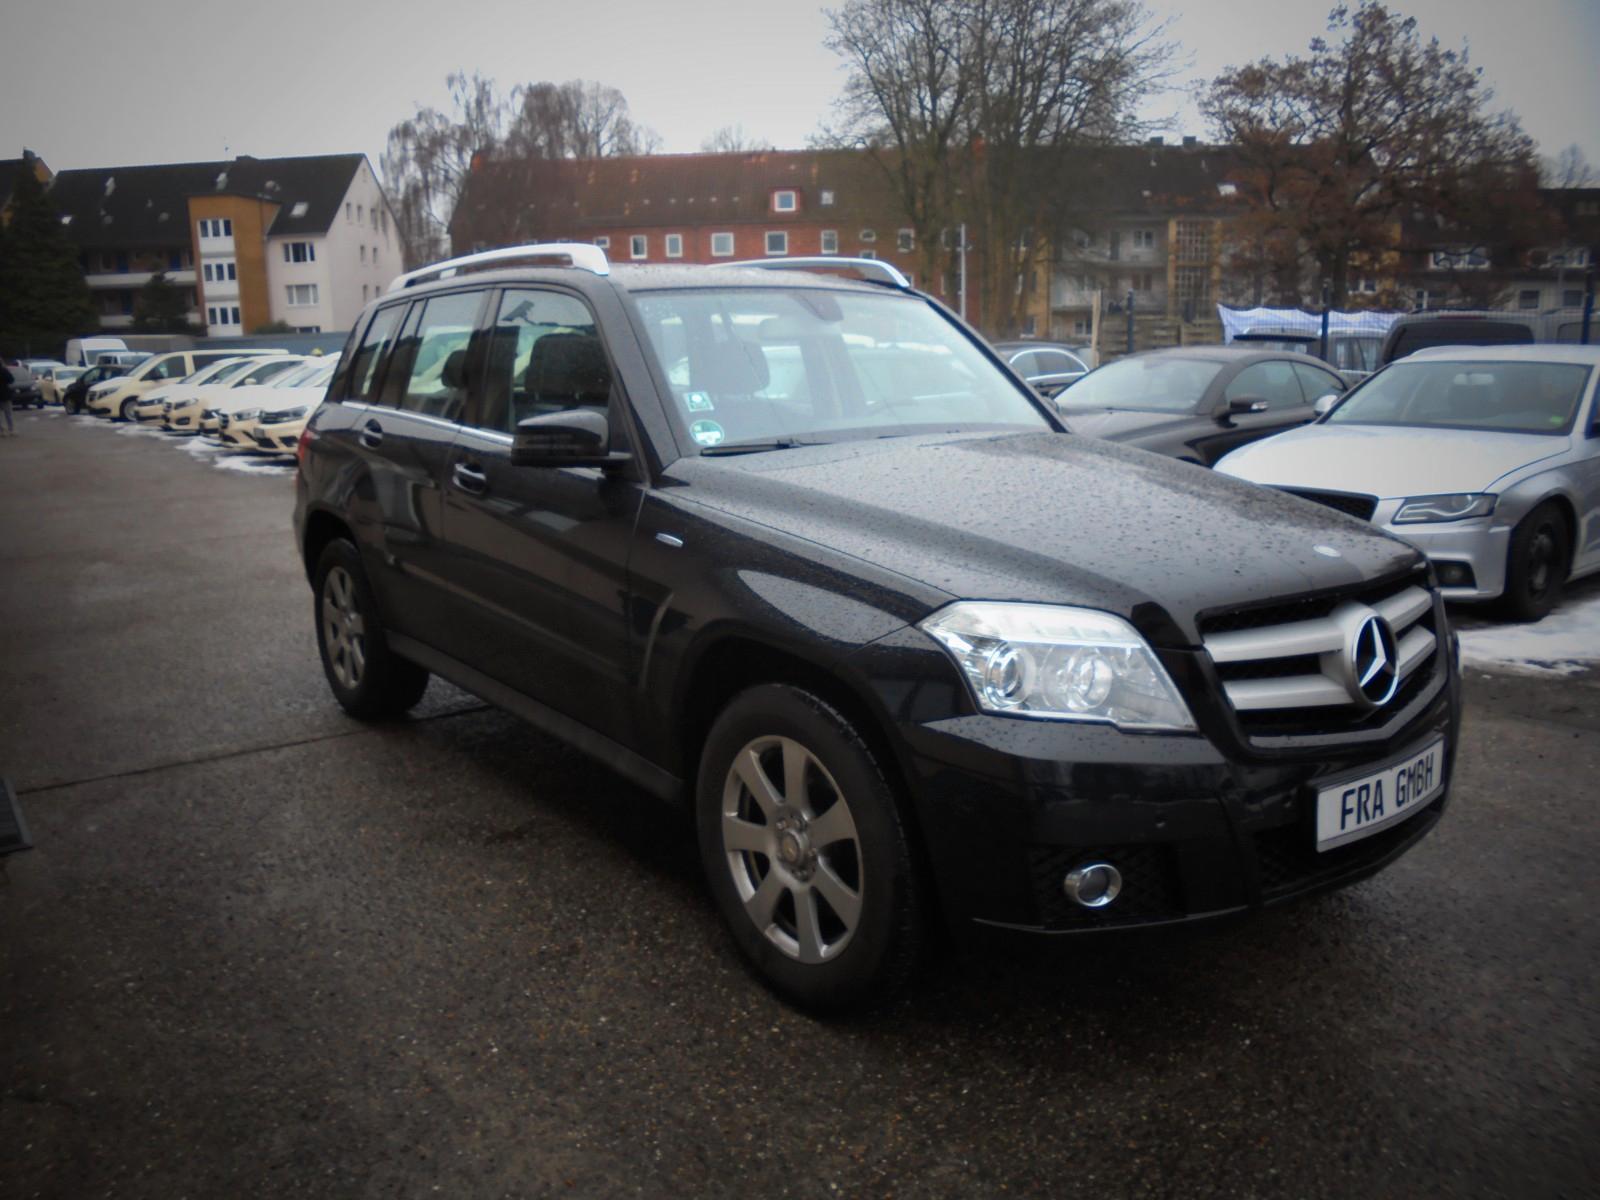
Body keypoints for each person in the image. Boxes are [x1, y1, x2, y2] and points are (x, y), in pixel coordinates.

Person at [0, 360, 15, 436]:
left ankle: (1, 431)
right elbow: (12, 380)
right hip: (5, 394)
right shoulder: (4, 371)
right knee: (8, 414)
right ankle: (11, 430)